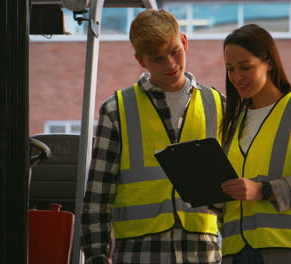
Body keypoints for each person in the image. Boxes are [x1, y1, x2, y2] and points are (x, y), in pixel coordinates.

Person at [81, 9, 224, 264]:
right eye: (158, 59)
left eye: (174, 52)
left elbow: (233, 189)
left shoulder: (219, 106)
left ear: (185, 42)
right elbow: (98, 193)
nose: (170, 64)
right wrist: (95, 256)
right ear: (141, 60)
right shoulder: (117, 110)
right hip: (139, 252)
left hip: (203, 252)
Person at [219, 24, 291, 264]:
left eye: (246, 67)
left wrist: (263, 190)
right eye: (230, 69)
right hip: (236, 251)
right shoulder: (234, 121)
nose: (236, 77)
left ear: (269, 62)